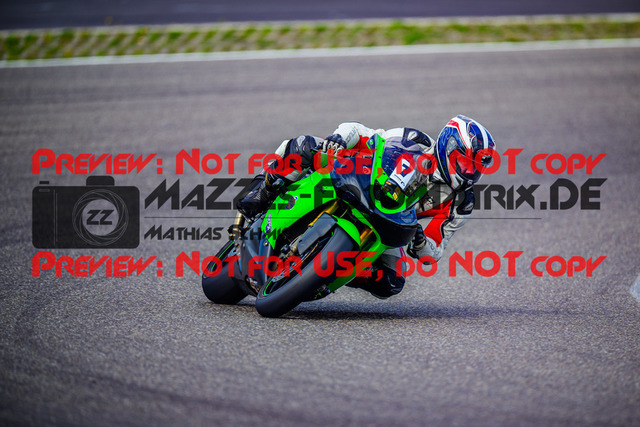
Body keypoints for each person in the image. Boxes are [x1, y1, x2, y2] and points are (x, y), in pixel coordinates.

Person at [237, 115, 496, 299]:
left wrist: (420, 243)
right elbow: (360, 131)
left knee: (391, 282)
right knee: (304, 146)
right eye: (464, 162)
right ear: (448, 147)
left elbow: (435, 250)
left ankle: (328, 274)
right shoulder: (413, 139)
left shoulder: (462, 202)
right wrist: (339, 140)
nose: (468, 172)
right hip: (354, 179)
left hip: (388, 222)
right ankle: (263, 189)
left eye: (475, 167)